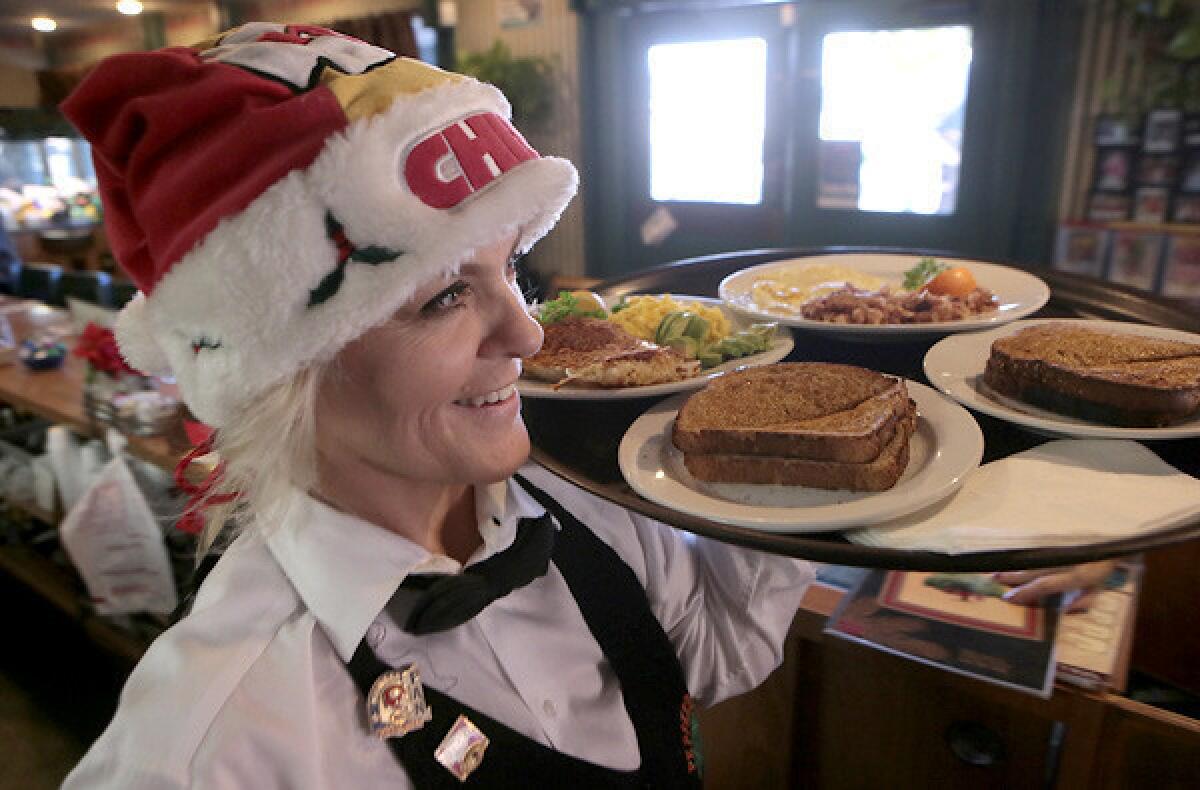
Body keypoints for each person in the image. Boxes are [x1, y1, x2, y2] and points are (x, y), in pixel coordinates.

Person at [59, 23, 1116, 788]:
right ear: (279, 367)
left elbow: (711, 647)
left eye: (509, 266)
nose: (526, 334)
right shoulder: (212, 744)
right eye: (442, 296)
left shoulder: (577, 488)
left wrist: (841, 426)